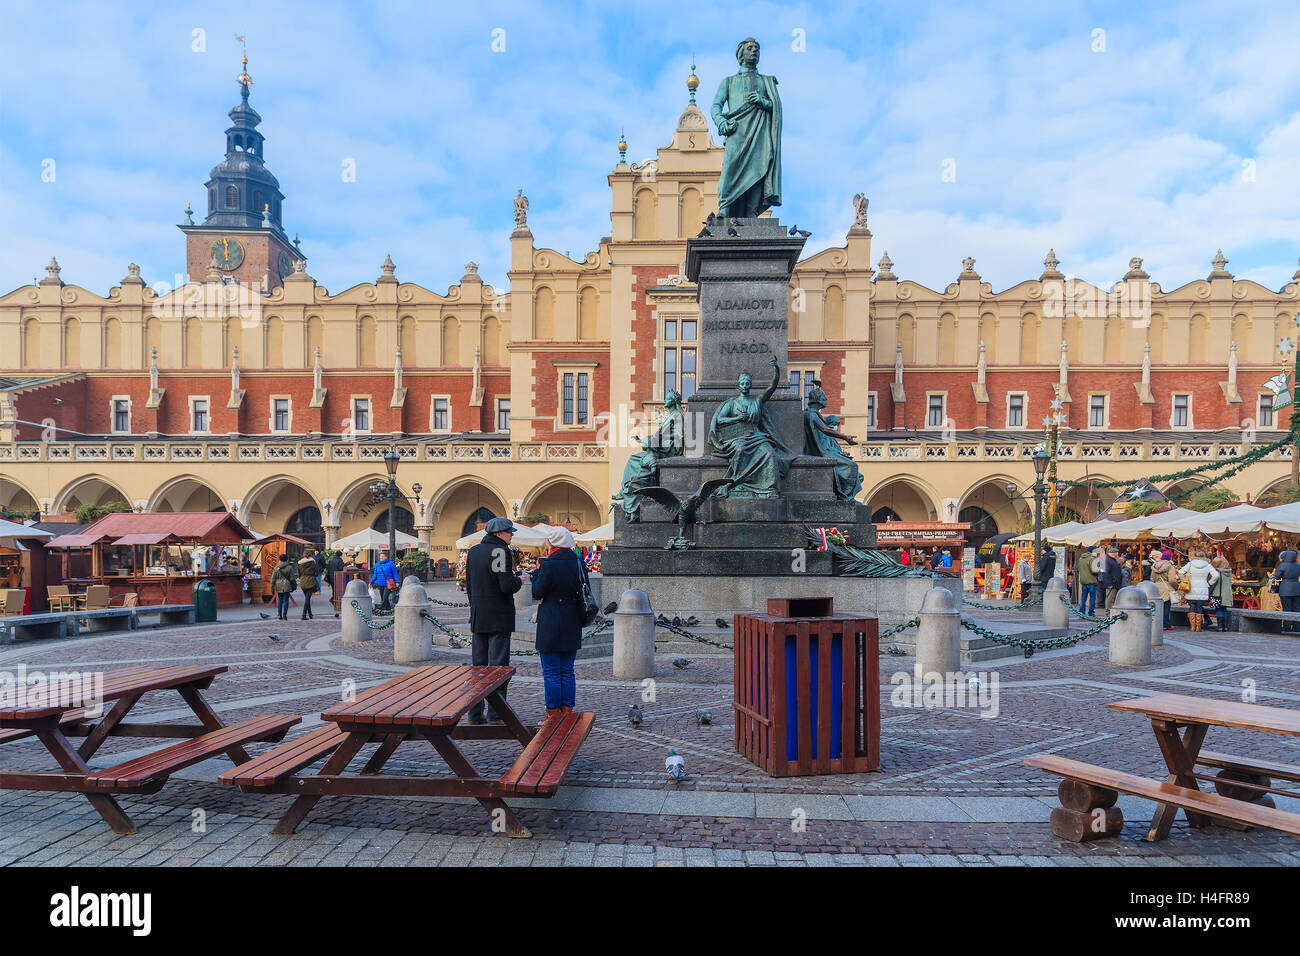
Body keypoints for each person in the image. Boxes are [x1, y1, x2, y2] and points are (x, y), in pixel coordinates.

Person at [464, 517, 523, 724]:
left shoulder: (473, 551)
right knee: (498, 667)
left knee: (478, 668)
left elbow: (469, 586)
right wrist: (519, 580)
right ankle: (495, 715)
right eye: (509, 532)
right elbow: (506, 585)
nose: (512, 535)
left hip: (479, 615)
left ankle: (474, 713)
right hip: (499, 616)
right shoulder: (500, 551)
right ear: (499, 534)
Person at [530, 526, 587, 720]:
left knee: (552, 671)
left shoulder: (549, 564)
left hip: (551, 620)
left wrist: (536, 574)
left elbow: (537, 593)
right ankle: (567, 711)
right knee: (567, 670)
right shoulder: (578, 562)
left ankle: (553, 713)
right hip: (572, 618)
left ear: (552, 543)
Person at [1178, 548, 1220, 633]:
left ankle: (1192, 626)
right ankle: (1198, 627)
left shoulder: (1190, 564)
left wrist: (1184, 581)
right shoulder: (1208, 565)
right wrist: (1209, 582)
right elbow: (1216, 575)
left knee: (1192, 606)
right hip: (1203, 587)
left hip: (1191, 587)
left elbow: (1180, 572)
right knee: (1199, 607)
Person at [1271, 549, 1300, 633]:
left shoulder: (1282, 565)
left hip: (1285, 589)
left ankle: (1287, 626)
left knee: (1287, 608)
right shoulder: (1298, 565)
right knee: (1297, 609)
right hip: (1297, 588)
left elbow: (1276, 577)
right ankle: (1297, 627)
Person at [1209, 548, 1234, 632]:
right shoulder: (1229, 572)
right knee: (1224, 609)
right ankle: (1225, 627)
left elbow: (1212, 584)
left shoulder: (1216, 572)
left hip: (1217, 594)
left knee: (1218, 609)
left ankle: (1220, 627)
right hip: (1227, 594)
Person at [270, 553, 296, 621]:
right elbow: (292, 578)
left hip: (278, 586)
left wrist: (272, 588)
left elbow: (273, 579)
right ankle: (284, 614)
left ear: (280, 559)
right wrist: (294, 586)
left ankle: (279, 614)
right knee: (286, 600)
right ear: (287, 559)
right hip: (287, 585)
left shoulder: (276, 567)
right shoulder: (289, 567)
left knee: (280, 600)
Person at [1100, 547, 1123, 613]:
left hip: (1114, 583)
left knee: (1112, 598)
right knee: (1110, 598)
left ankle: (1111, 611)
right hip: (1111, 583)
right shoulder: (1108, 560)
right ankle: (1108, 612)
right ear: (1113, 553)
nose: (1117, 554)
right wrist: (1109, 584)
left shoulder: (1112, 560)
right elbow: (1106, 573)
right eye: (1116, 553)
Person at [1078, 546, 1099, 617]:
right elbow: (1094, 571)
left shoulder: (1081, 558)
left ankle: (1081, 613)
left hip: (1083, 581)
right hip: (1091, 581)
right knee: (1092, 598)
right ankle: (1091, 613)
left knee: (1083, 598)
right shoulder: (1092, 559)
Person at [297, 553, 319, 620]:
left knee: (307, 598)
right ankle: (303, 615)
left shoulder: (300, 563)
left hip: (303, 581)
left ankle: (310, 614)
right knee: (307, 599)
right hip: (310, 581)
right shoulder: (313, 563)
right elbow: (317, 573)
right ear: (310, 556)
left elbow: (299, 573)